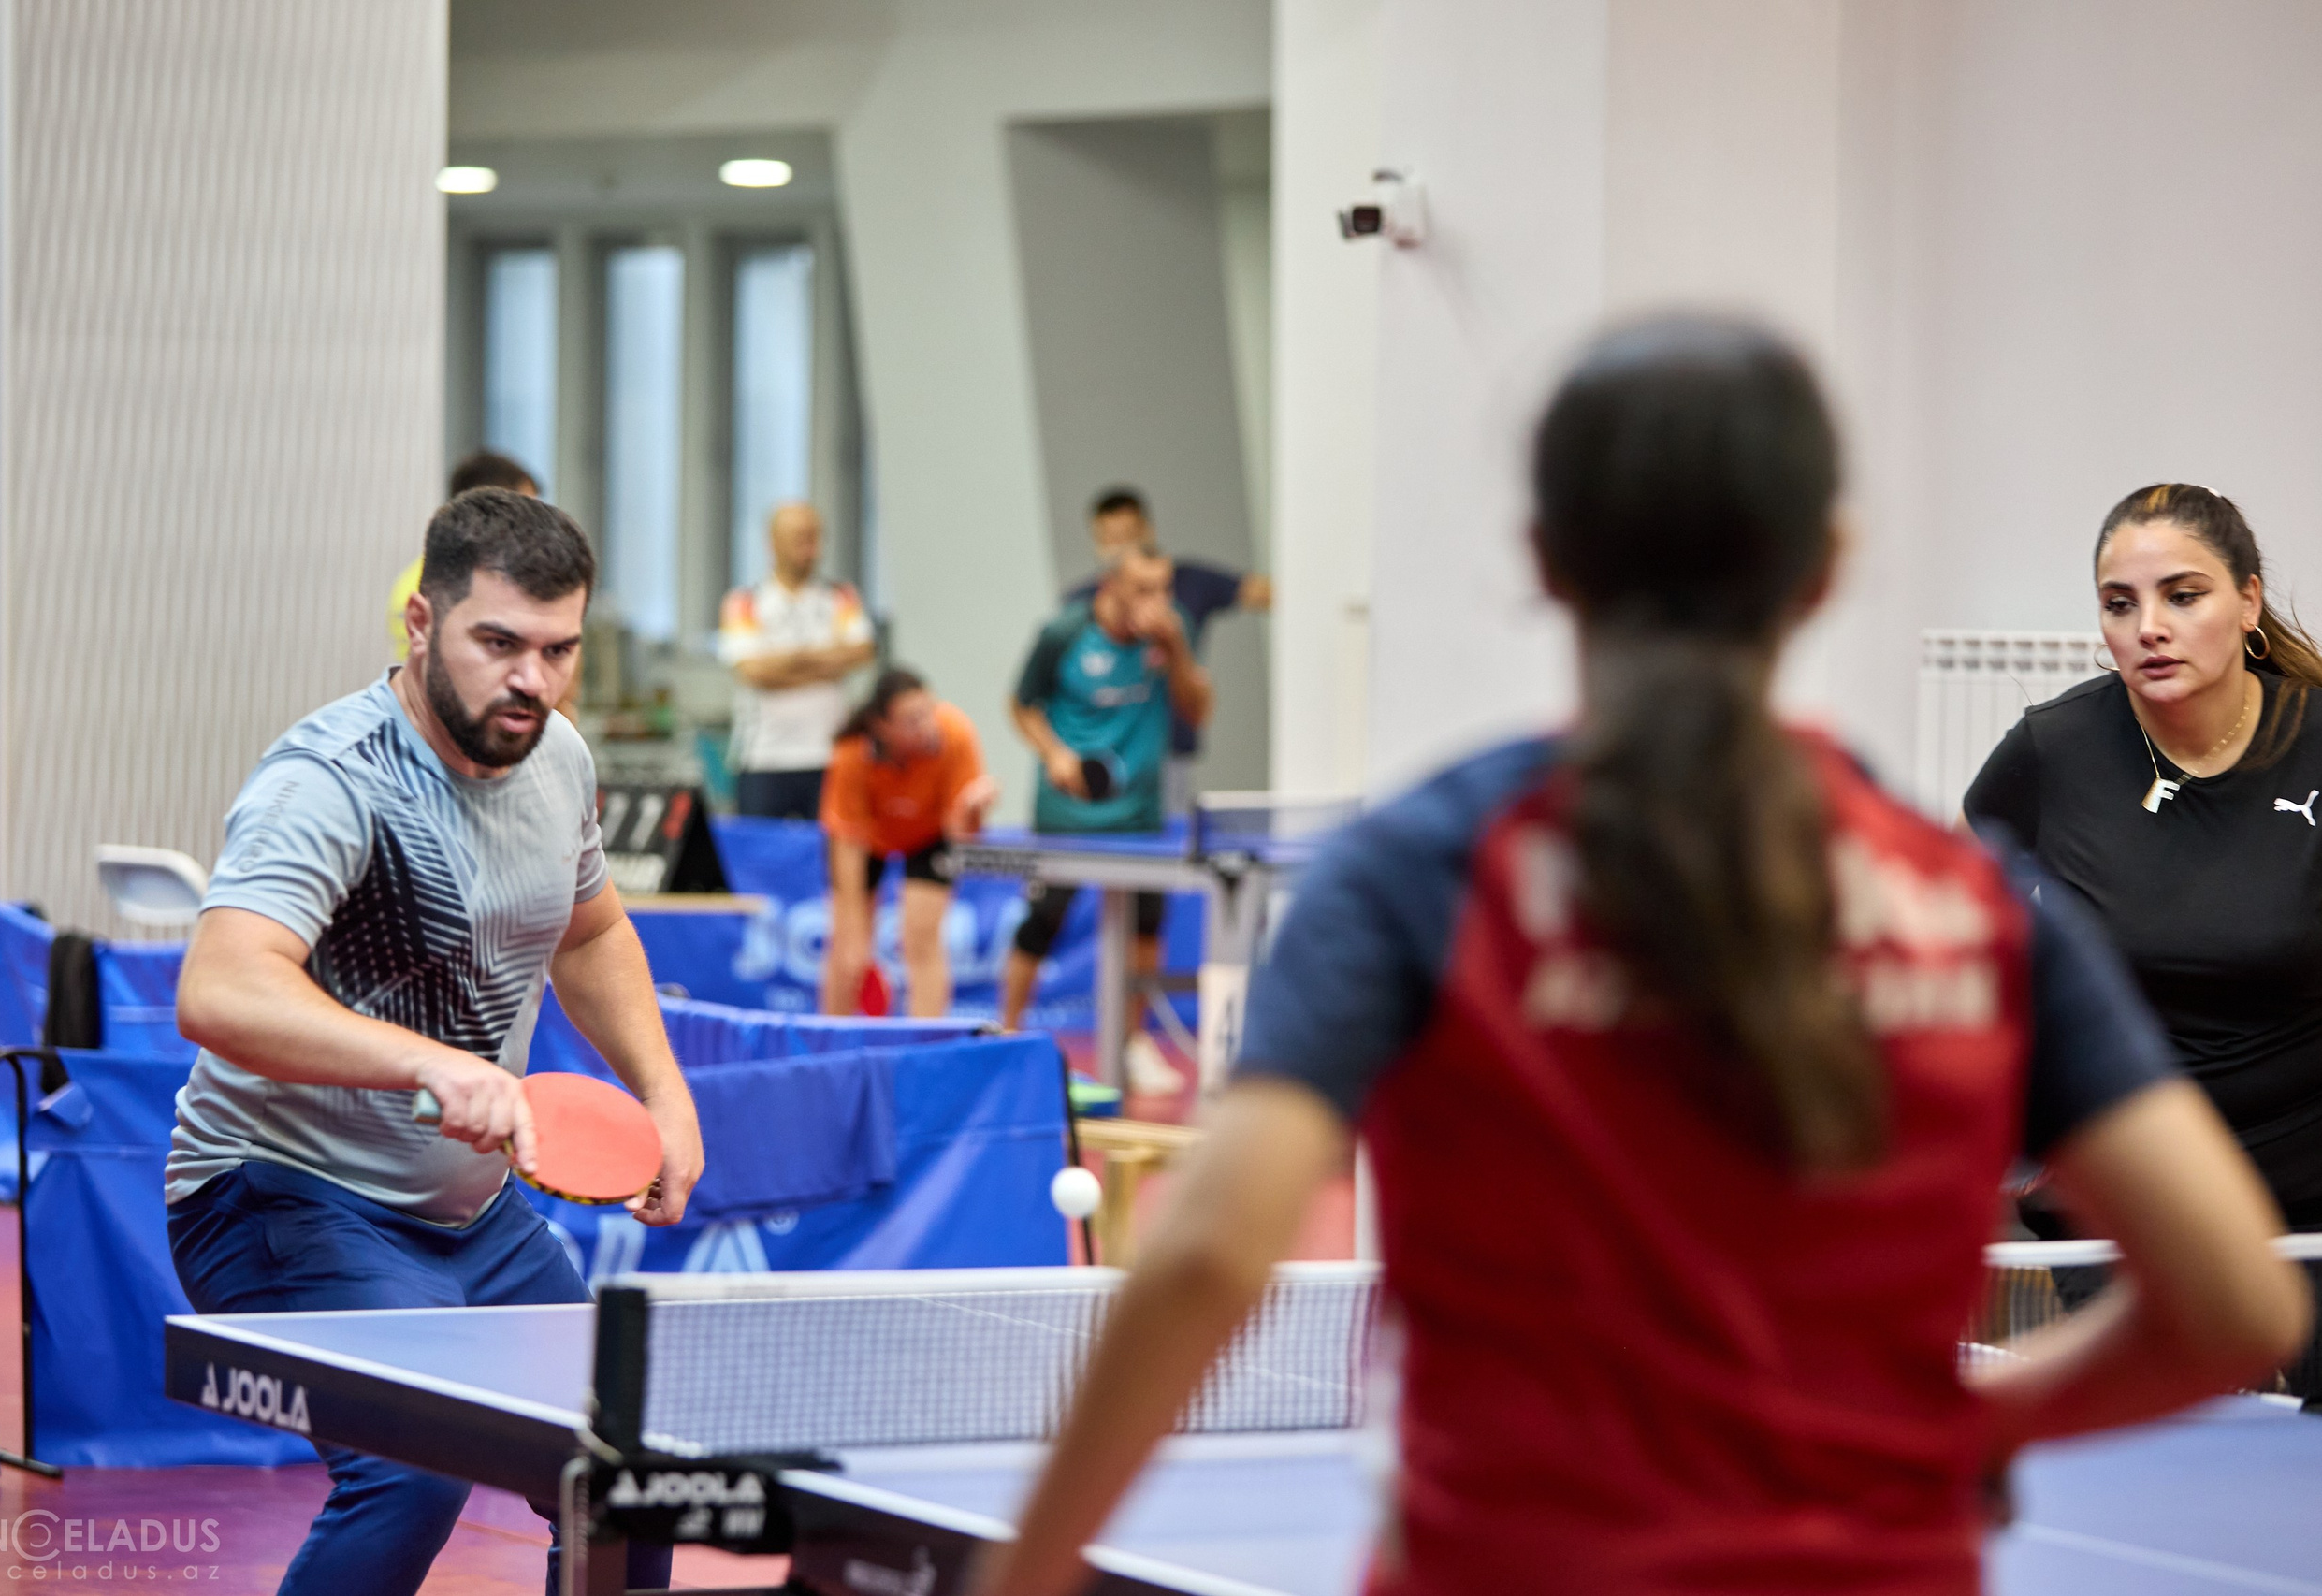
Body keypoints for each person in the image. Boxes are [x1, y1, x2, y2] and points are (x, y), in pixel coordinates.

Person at [973, 317, 2308, 1596]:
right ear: (1825, 567)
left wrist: (1025, 1566)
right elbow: (2238, 1299)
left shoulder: (1428, 866)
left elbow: (1212, 1254)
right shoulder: (1966, 902)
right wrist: (1963, 1424)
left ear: (1548, 558)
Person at [170, 488, 703, 1596]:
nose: (534, 681)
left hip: (470, 1212)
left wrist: (665, 1093)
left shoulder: (555, 757)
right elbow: (221, 988)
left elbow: (593, 929)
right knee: (410, 1468)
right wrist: (429, 1060)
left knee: (630, 1464)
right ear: (421, 622)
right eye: (499, 643)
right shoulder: (333, 779)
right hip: (283, 1193)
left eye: (560, 650)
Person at [1966, 483, 2322, 1388]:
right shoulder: (2053, 751)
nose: (2148, 627)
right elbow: (1978, 920)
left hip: (2307, 1180)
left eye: (2182, 594)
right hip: (2135, 1186)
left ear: (2247, 600)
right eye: (2119, 604)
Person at [1005, 545, 1212, 1095]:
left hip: (1138, 814)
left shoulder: (1171, 635)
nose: (1158, 601)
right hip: (1067, 813)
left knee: (1147, 929)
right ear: (1110, 587)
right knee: (1041, 923)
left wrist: (1178, 650)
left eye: (1164, 588)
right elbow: (1021, 704)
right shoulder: (1064, 633)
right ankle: (1006, 1036)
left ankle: (1132, 1042)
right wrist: (1054, 753)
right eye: (1144, 589)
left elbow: (1199, 709)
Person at [1065, 486, 1270, 813]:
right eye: (1109, 539)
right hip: (1103, 754)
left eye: (1129, 536)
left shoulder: (1185, 603)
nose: (1119, 549)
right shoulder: (1075, 610)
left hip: (1169, 753)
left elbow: (1267, 593)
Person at [817, 668, 1000, 1018]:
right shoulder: (852, 752)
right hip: (865, 841)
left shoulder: (956, 735)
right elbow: (847, 839)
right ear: (882, 726)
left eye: (928, 711)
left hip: (929, 836)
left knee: (921, 939)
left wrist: (971, 811)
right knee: (847, 948)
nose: (927, 724)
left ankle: (926, 1042)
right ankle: (831, 1038)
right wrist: (854, 932)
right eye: (911, 719)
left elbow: (960, 835)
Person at [719, 501, 876, 820]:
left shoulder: (841, 596)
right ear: (773, 542)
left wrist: (783, 663)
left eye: (816, 538)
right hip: (764, 757)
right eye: (800, 538)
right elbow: (753, 671)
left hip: (828, 755)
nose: (811, 549)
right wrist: (824, 663)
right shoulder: (744, 601)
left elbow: (861, 652)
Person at [388, 450, 541, 660]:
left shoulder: (413, 577)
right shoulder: (472, 582)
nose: (534, 525)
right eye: (526, 510)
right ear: (492, 510)